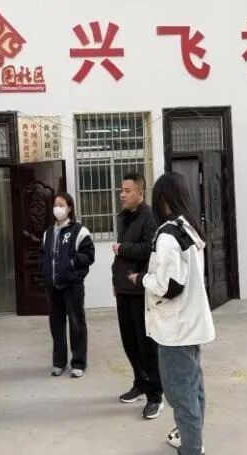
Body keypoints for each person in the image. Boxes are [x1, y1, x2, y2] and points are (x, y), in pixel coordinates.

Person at [129, 173, 215, 455]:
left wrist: (141, 279)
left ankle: (191, 448)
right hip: (191, 324)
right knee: (192, 386)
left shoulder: (167, 234)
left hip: (175, 329)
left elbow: (169, 286)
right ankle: (190, 437)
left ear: (162, 199)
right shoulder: (188, 227)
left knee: (180, 393)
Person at [112, 173, 163, 419]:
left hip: (140, 290)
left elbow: (150, 250)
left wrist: (123, 248)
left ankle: (155, 396)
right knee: (129, 342)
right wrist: (115, 280)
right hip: (123, 288)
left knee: (146, 346)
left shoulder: (149, 217)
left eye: (127, 190)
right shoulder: (123, 217)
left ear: (140, 193)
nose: (122, 194)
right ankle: (140, 382)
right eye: (121, 190)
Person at [40, 192, 95, 378]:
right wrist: (46, 271)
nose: (57, 208)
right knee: (56, 325)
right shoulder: (48, 233)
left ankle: (78, 362)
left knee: (76, 323)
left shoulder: (80, 231)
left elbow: (89, 256)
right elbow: (43, 255)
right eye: (55, 205)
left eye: (61, 205)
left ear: (69, 208)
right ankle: (59, 362)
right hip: (53, 287)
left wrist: (72, 264)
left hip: (72, 286)